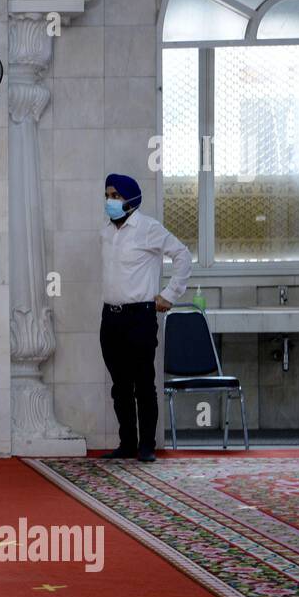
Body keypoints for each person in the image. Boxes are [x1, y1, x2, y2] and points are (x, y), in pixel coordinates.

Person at [100, 173, 192, 463]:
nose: (110, 201)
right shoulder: (106, 232)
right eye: (107, 195)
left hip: (139, 316)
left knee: (143, 383)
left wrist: (170, 294)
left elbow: (182, 255)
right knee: (120, 386)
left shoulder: (148, 228)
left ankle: (146, 446)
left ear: (130, 199)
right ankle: (127, 443)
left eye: (115, 196)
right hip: (111, 318)